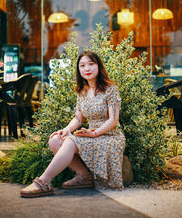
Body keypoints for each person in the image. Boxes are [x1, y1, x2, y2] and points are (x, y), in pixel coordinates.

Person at [20, 51, 125, 198]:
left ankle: (43, 182)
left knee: (70, 142)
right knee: (55, 140)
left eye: (91, 64)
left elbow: (113, 120)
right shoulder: (82, 91)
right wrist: (65, 130)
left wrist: (94, 133)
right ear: (78, 69)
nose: (87, 68)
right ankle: (84, 176)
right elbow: (78, 118)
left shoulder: (110, 89)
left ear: (99, 66)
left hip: (109, 136)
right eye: (82, 65)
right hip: (91, 134)